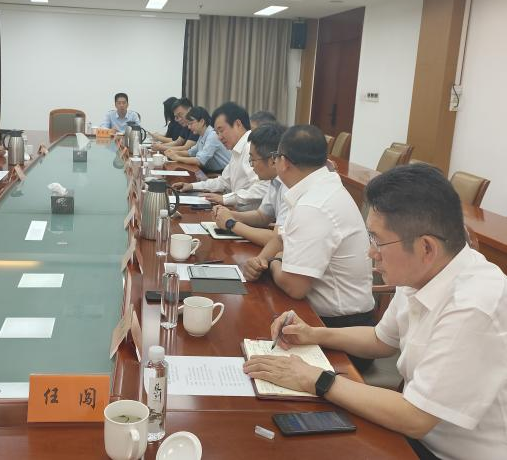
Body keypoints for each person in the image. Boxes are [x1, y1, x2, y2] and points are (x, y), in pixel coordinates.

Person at [244, 164, 507, 460]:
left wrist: (315, 379)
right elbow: (381, 340)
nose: (371, 252)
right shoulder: (424, 271)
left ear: (426, 248)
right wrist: (313, 334)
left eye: (377, 240)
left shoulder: (474, 306)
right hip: (412, 437)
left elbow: (416, 418)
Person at [243, 125, 374, 370]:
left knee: (247, 346)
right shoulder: (318, 188)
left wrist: (273, 263)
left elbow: (295, 287)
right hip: (325, 320)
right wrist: (260, 260)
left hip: (340, 333)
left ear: (283, 162)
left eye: (276, 157)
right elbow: (281, 238)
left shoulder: (314, 206)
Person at [172, 102, 268, 211]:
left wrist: (225, 199)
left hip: (248, 216)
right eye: (217, 133)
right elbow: (223, 182)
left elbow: (262, 187)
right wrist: (192, 186)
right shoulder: (237, 149)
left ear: (238, 124)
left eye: (221, 131)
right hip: (236, 211)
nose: (219, 137)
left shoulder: (250, 147)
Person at [213, 123, 288, 246]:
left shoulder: (289, 185)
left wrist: (231, 224)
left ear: (273, 160)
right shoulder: (275, 181)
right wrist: (230, 215)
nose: (251, 165)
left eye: (252, 159)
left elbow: (277, 240)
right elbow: (262, 217)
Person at [164, 106, 230, 173]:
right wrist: (175, 153)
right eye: (188, 124)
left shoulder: (212, 136)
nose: (189, 127)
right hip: (210, 170)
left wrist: (177, 158)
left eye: (191, 123)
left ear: (202, 121)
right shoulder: (202, 135)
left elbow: (199, 161)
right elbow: (191, 152)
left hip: (221, 173)